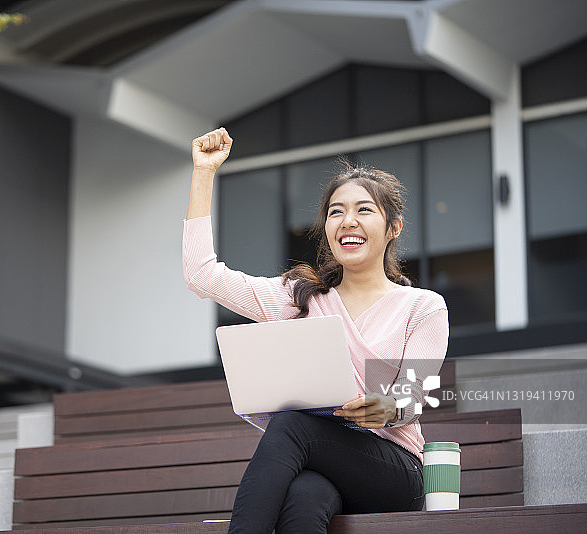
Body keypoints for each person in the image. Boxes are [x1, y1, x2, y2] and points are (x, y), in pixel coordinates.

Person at [183, 127, 449, 533]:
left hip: (394, 470)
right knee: (304, 496)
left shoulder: (422, 307)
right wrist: (203, 173)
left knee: (291, 425)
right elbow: (201, 275)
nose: (348, 221)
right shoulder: (298, 298)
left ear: (393, 228)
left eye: (364, 210)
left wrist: (386, 408)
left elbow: (412, 396)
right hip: (321, 462)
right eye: (336, 212)